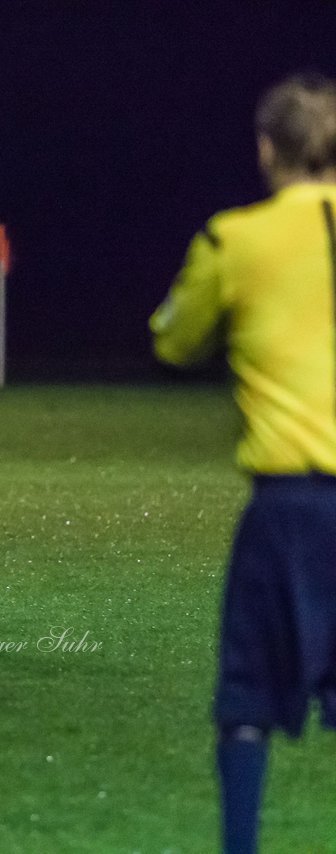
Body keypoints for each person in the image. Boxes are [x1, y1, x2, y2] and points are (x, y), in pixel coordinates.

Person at [150, 74, 336, 854]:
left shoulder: (236, 238)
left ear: (267, 149)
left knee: (249, 698)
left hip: (291, 508)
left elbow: (173, 339)